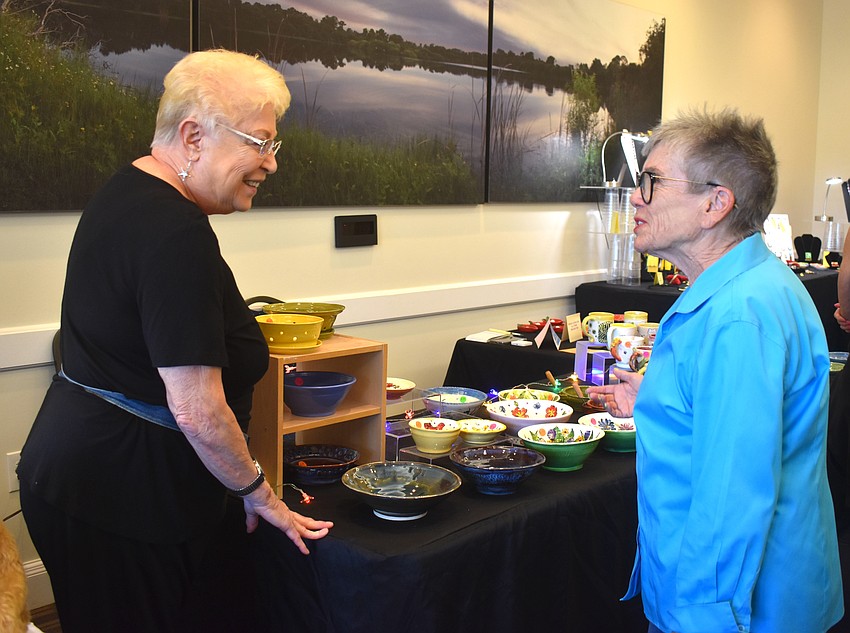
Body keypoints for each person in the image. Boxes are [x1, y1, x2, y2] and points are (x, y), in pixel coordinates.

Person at [16, 49, 333, 633]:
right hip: (122, 501)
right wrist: (260, 494)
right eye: (258, 143)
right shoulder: (173, 231)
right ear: (193, 136)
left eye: (273, 146)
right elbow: (196, 406)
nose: (270, 163)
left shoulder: (130, 191)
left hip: (86, 478)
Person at [587, 107, 843, 633]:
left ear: (714, 203)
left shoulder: (738, 315)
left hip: (736, 612)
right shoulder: (746, 288)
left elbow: (731, 500)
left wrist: (701, 619)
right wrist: (659, 397)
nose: (636, 196)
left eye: (652, 182)